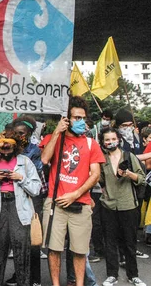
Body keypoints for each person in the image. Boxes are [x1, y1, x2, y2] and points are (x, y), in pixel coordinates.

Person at [40, 96, 105, 286]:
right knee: (54, 249)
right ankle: (55, 284)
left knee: (79, 250)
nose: (81, 121)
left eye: (83, 118)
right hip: (55, 202)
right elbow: (44, 159)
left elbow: (95, 174)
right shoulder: (54, 138)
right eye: (76, 118)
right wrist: (56, 133)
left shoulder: (91, 143)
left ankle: (78, 284)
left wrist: (75, 194)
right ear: (66, 119)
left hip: (80, 203)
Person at [0, 132, 41, 286]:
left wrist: (20, 178)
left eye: (9, 148)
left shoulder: (26, 162)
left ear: (16, 146)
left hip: (19, 207)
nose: (6, 150)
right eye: (3, 148)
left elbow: (36, 189)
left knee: (22, 251)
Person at [98, 127, 146, 286]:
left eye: (113, 139)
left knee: (129, 242)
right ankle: (112, 275)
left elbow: (142, 178)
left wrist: (128, 174)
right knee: (110, 242)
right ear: (103, 142)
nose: (110, 142)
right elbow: (100, 181)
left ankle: (134, 275)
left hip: (128, 205)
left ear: (119, 140)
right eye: (107, 140)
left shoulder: (129, 156)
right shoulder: (101, 159)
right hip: (109, 206)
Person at [5, 116, 47, 286]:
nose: (18, 136)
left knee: (32, 239)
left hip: (32, 197)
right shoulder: (9, 148)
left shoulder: (34, 151)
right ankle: (20, 274)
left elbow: (33, 174)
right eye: (15, 133)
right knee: (18, 239)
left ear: (29, 134)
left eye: (21, 133)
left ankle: (34, 278)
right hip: (14, 198)